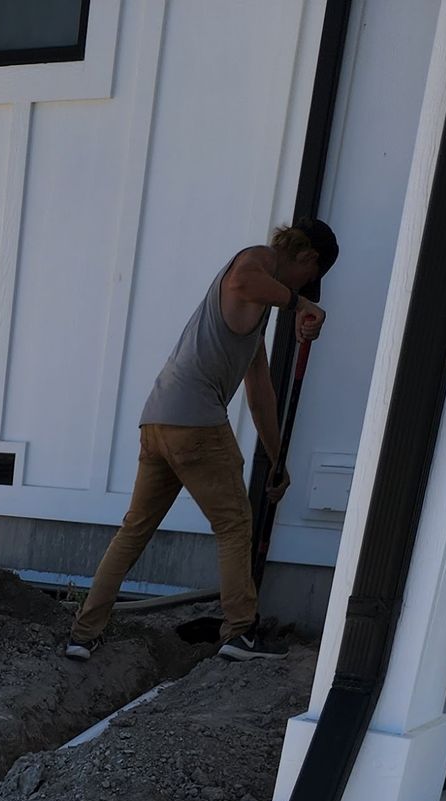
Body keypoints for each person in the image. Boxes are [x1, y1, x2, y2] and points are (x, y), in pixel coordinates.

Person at [64, 217, 336, 664]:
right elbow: (245, 279)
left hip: (158, 421)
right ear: (307, 258)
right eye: (310, 277)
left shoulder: (254, 314)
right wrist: (300, 303)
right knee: (234, 524)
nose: (305, 286)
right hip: (196, 423)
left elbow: (260, 392)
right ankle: (241, 632)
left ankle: (82, 634)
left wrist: (277, 459)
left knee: (135, 528)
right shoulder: (257, 261)